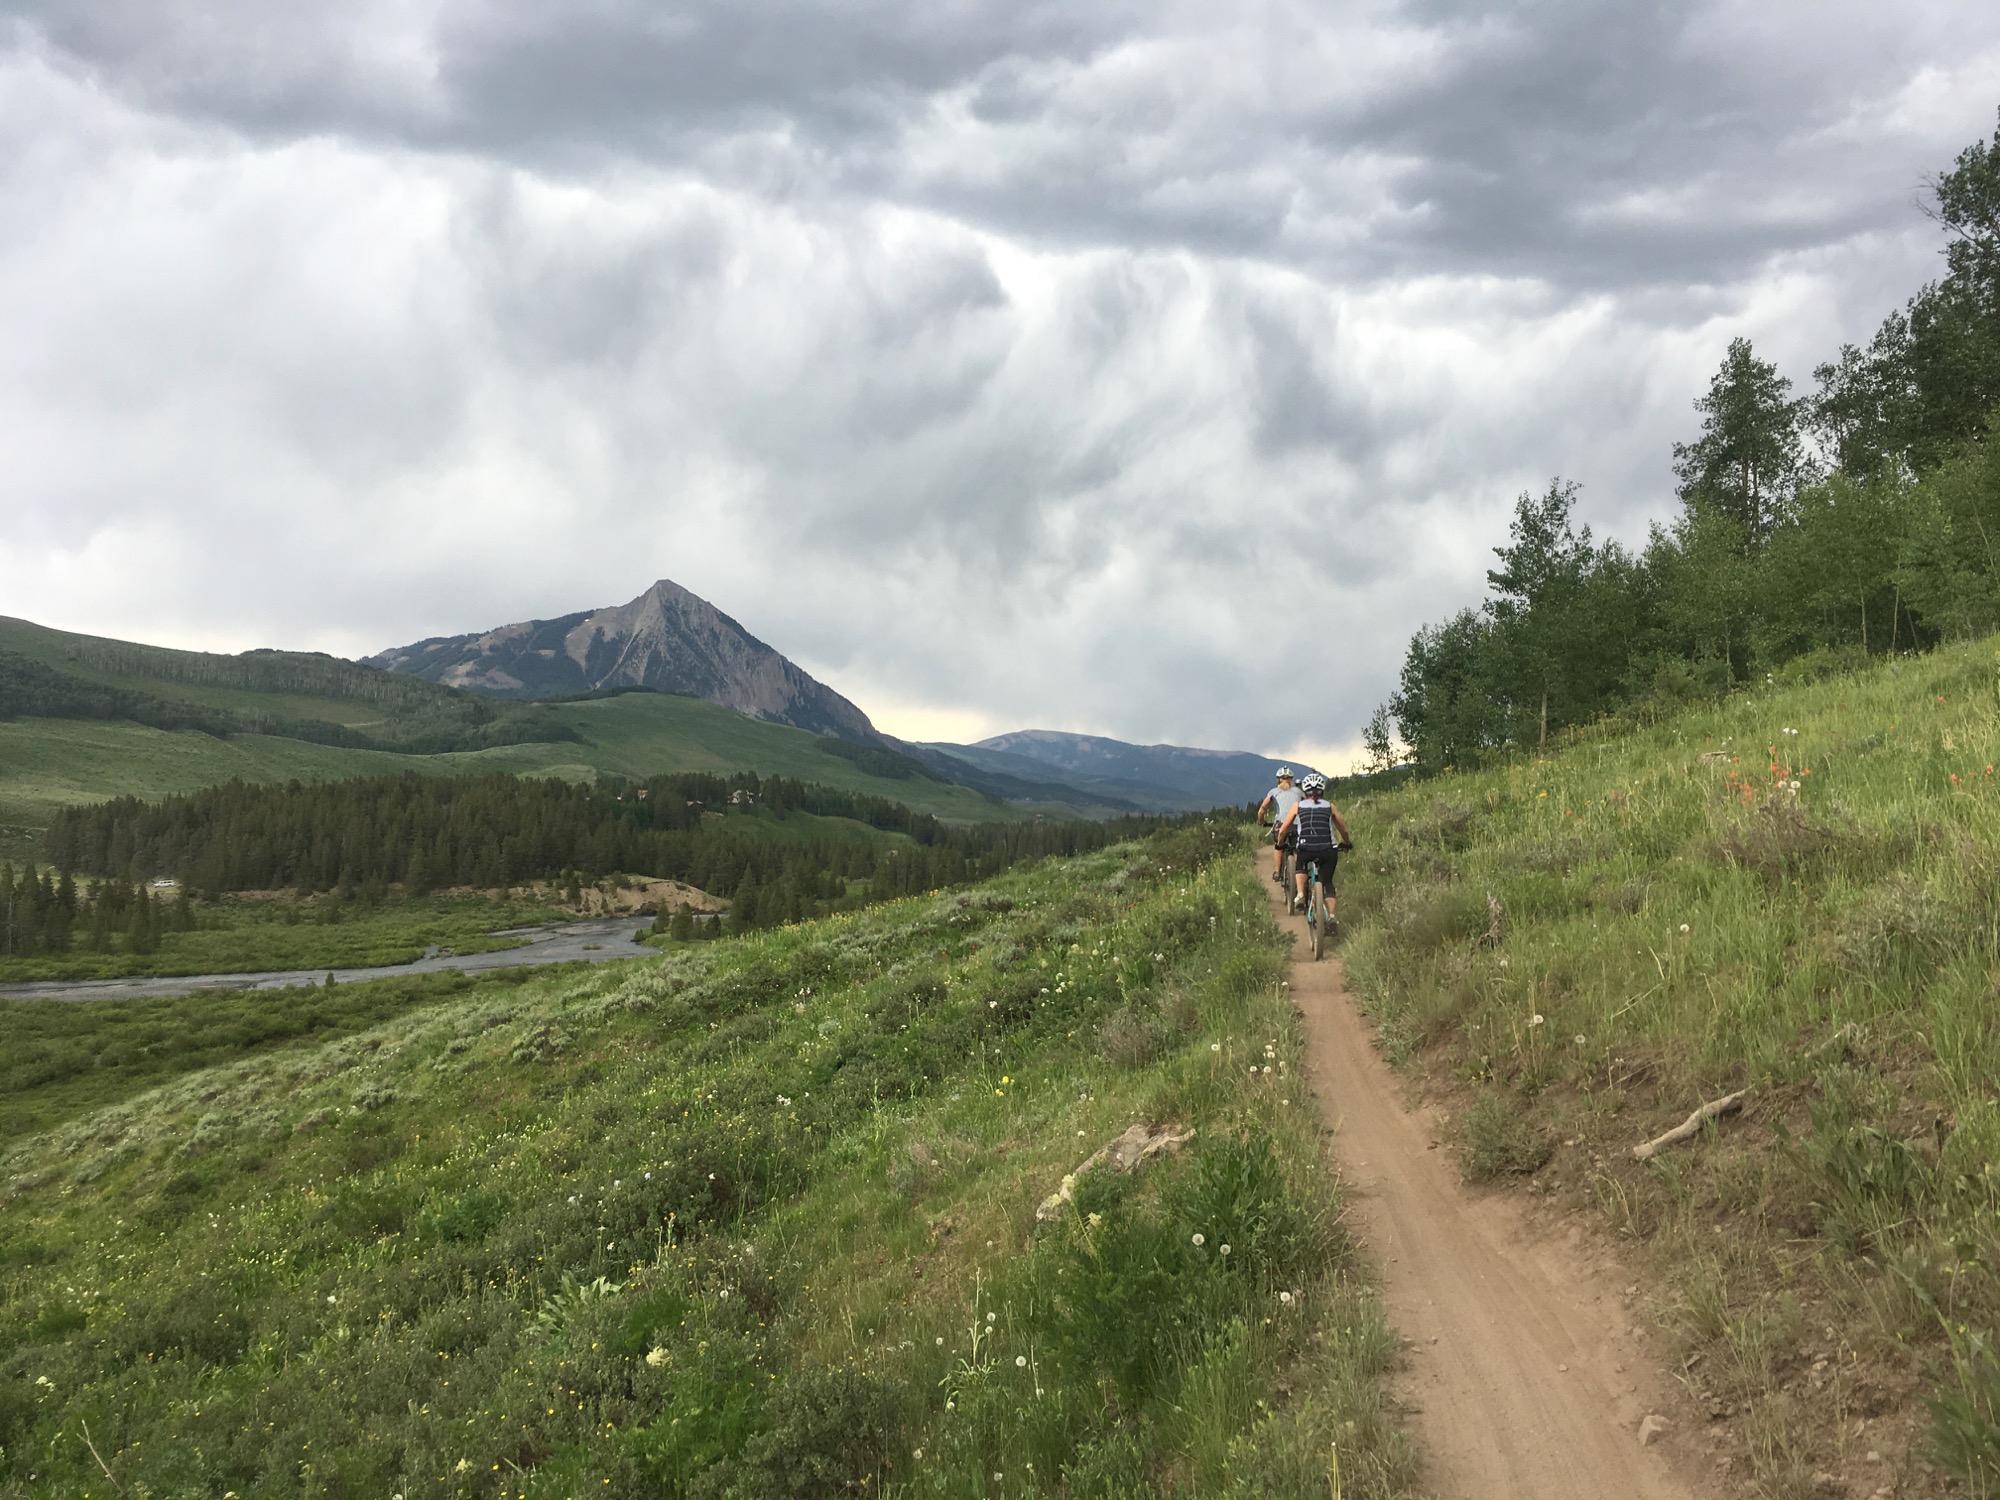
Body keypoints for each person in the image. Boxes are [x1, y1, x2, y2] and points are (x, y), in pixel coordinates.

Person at [1275, 772, 1353, 918]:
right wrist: (1347, 842)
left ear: (1305, 790)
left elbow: (1284, 828)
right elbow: (1343, 828)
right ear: (1322, 790)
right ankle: (1331, 916)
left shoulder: (1298, 806)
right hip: (1328, 850)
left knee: (1301, 865)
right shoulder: (1330, 806)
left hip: (1306, 848)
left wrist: (1280, 843)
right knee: (1328, 882)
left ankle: (1300, 894)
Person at [1255, 767, 1302, 883]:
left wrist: (1261, 822)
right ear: (1291, 779)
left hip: (1281, 825)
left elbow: (1261, 810)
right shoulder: (1299, 792)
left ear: (1279, 779)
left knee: (1278, 846)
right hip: (1297, 824)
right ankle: (1299, 871)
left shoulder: (1273, 792)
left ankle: (1277, 871)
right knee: (1297, 848)